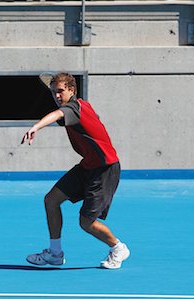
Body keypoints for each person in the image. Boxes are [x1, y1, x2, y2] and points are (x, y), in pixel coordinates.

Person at [20, 73, 130, 269]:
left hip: (105, 170)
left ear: (72, 90)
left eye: (61, 91)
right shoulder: (79, 107)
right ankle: (55, 254)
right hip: (88, 165)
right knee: (51, 200)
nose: (57, 96)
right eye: (53, 92)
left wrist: (36, 126)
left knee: (86, 223)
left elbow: (58, 114)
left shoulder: (74, 107)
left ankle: (118, 248)